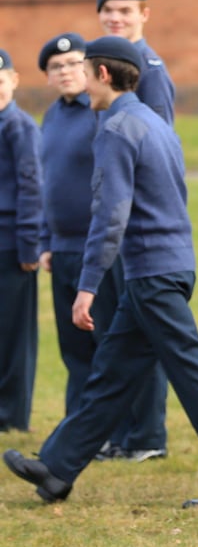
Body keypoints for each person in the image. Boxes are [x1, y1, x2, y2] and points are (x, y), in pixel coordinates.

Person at [2, 36, 198, 508]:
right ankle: (59, 466)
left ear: (103, 75)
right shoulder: (152, 121)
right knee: (112, 373)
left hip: (150, 273)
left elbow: (108, 215)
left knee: (194, 374)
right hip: (168, 265)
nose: (81, 82)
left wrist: (86, 287)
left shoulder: (115, 128)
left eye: (85, 72)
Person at [94, 0, 174, 461]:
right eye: (109, 11)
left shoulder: (150, 70)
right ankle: (122, 431)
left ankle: (146, 435)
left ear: (144, 14)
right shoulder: (101, 63)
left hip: (137, 223)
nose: (117, 18)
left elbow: (160, 148)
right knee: (112, 327)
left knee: (141, 326)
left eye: (126, 11)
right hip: (110, 217)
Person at [37, 32, 122, 417]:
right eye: (57, 66)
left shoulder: (101, 110)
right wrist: (45, 240)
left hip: (98, 248)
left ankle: (115, 429)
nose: (66, 71)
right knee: (73, 348)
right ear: (48, 77)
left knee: (106, 341)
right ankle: (76, 426)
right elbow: (45, 182)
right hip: (63, 248)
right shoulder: (52, 116)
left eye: (74, 63)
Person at [0, 48, 42, 432]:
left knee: (14, 334)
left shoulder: (19, 126)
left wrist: (30, 245)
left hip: (12, 245)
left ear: (13, 80)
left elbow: (32, 186)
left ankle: (12, 416)